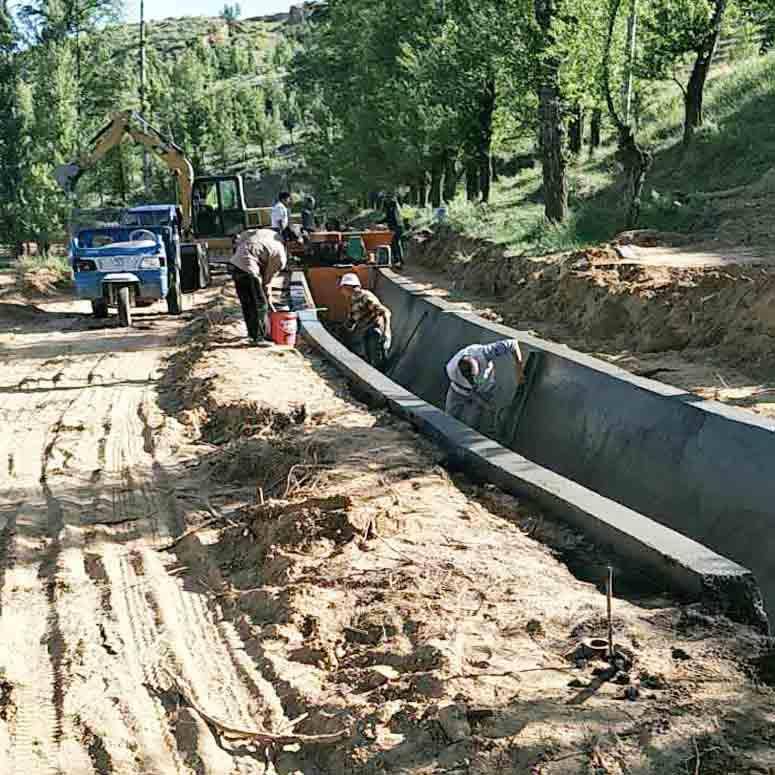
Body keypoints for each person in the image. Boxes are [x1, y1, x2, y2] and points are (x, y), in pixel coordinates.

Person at [445, 339, 524, 432]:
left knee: (471, 424)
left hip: (484, 389)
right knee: (448, 419)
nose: (473, 381)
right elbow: (472, 393)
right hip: (458, 392)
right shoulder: (451, 369)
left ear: (477, 363)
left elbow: (512, 344)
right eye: (470, 379)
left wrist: (519, 369)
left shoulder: (485, 352)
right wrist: (484, 404)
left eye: (474, 376)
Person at [229, 228, 287, 346]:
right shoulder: (280, 256)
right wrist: (268, 298)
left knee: (247, 303)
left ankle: (253, 335)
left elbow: (242, 236)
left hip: (235, 264)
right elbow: (267, 282)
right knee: (260, 304)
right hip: (249, 268)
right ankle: (260, 338)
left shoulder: (268, 233)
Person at [338, 273, 392, 370]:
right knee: (369, 358)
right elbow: (352, 320)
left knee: (377, 359)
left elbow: (385, 312)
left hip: (375, 330)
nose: (341, 291)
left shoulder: (366, 296)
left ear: (348, 287)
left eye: (342, 288)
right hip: (365, 330)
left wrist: (386, 332)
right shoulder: (353, 300)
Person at [384, 195, 405, 268]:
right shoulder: (391, 206)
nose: (386, 200)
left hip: (397, 227)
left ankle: (398, 261)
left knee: (395, 243)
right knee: (396, 243)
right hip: (396, 227)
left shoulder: (393, 206)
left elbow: (392, 218)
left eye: (387, 198)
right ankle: (399, 260)